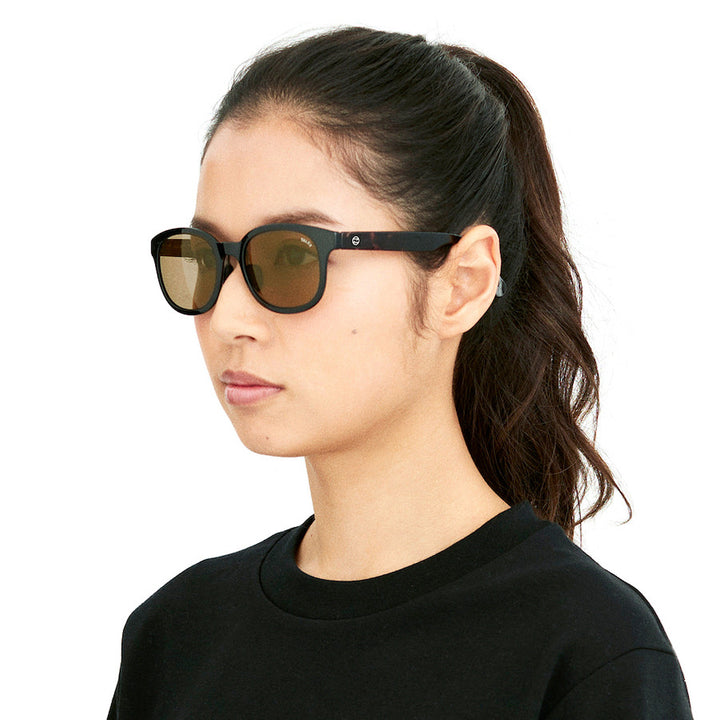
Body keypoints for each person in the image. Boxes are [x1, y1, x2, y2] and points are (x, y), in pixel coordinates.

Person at [108, 27, 694, 718]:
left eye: (292, 257)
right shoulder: (177, 637)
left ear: (462, 284)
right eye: (206, 257)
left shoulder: (588, 650)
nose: (228, 316)